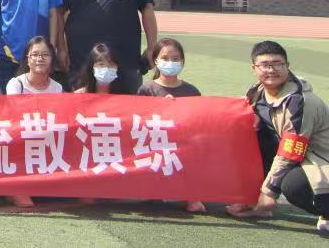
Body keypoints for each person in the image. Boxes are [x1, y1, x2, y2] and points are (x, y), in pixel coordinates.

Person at [227, 41, 329, 233]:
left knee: (293, 185)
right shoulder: (257, 92)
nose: (271, 70)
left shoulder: (300, 102)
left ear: (287, 66)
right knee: (250, 139)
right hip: (299, 156)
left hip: (320, 160)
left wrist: (268, 193)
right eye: (265, 65)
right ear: (254, 68)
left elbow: (291, 152)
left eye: (277, 64)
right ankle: (254, 202)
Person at [138, 37, 205, 213]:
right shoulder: (147, 89)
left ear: (182, 61)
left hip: (182, 145)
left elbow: (199, 121)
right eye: (165, 58)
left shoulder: (191, 91)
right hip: (155, 145)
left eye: (175, 59)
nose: (170, 63)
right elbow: (139, 122)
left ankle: (191, 197)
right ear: (155, 61)